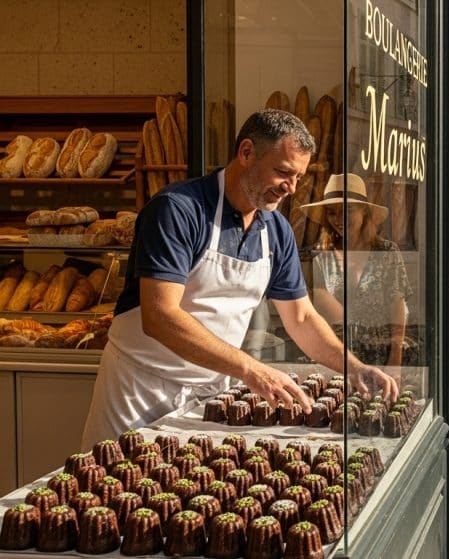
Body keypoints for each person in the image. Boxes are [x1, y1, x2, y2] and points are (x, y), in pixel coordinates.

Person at [81, 109, 398, 446]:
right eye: (282, 172)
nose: (290, 188)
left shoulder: (276, 230)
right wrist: (251, 369)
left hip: (209, 397)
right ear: (246, 152)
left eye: (298, 178)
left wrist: (353, 367)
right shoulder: (179, 209)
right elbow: (160, 316)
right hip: (139, 390)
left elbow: (302, 318)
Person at [304, 173, 412, 367]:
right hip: (340, 355)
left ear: (364, 212)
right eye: (332, 212)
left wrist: (395, 359)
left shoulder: (386, 252)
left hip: (382, 354)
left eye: (347, 209)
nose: (338, 219)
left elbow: (398, 306)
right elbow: (319, 312)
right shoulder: (323, 257)